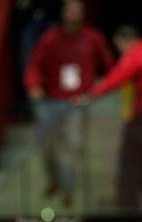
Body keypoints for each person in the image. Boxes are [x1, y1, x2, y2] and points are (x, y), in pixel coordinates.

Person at [24, 0, 114, 205]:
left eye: (78, 11)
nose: (74, 15)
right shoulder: (49, 39)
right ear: (63, 13)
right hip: (51, 101)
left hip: (77, 103)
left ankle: (69, 189)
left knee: (72, 147)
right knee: (46, 146)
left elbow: (109, 67)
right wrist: (34, 85)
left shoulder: (93, 38)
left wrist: (95, 91)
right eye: (70, 10)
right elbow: (34, 66)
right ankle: (55, 180)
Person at [84, 25, 142, 209]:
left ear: (125, 40)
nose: (120, 51)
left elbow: (115, 78)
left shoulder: (136, 54)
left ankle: (128, 211)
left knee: (128, 165)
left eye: (119, 46)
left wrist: (89, 95)